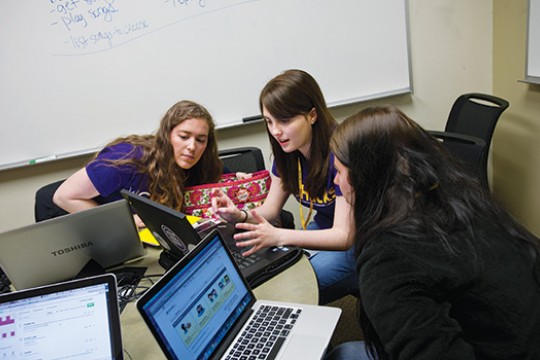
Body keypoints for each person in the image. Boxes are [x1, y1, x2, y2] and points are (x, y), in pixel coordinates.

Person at [326, 105, 540, 359]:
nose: (336, 182)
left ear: (365, 177)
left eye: (339, 172)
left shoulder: (388, 257)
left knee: (342, 355)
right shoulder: (464, 200)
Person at [211, 69, 357, 304]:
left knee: (292, 289)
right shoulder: (287, 152)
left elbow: (344, 236)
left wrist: (279, 236)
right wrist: (240, 214)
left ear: (312, 115)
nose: (276, 131)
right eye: (269, 121)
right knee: (272, 275)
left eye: (285, 120)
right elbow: (270, 211)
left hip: (360, 241)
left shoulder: (339, 152)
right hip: (322, 228)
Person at [49, 100, 223, 228]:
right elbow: (63, 196)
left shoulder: (197, 162)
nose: (192, 147)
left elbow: (219, 179)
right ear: (166, 135)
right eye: (183, 137)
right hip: (88, 233)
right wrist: (126, 222)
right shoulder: (127, 159)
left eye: (200, 140)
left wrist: (239, 179)